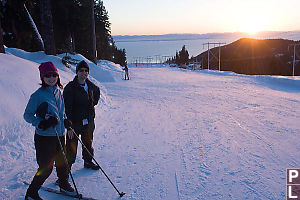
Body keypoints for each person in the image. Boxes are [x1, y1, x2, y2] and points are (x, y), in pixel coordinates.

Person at [24, 62, 76, 200]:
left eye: (54, 75)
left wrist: (65, 121)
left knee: (62, 162)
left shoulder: (58, 92)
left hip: (59, 135)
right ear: (42, 77)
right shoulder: (37, 95)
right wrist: (41, 123)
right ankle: (31, 193)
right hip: (45, 137)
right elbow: (27, 115)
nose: (51, 78)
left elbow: (62, 112)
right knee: (46, 167)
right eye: (47, 75)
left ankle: (64, 184)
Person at [63, 60, 100, 170]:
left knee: (88, 143)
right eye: (81, 70)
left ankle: (88, 161)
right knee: (71, 147)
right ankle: (65, 171)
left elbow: (97, 93)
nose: (84, 73)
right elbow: (67, 108)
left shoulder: (91, 86)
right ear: (77, 72)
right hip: (75, 123)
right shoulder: (70, 88)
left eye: (86, 71)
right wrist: (68, 126)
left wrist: (92, 103)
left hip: (88, 121)